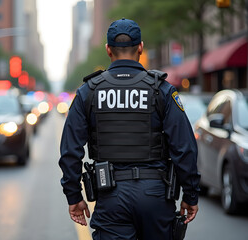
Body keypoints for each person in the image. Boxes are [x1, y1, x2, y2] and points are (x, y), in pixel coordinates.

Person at [59, 18, 200, 240]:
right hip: (156, 195)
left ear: (108, 50)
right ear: (141, 48)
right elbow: (184, 147)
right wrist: (191, 195)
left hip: (110, 195)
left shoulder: (89, 92)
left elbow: (70, 150)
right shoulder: (161, 89)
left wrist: (73, 195)